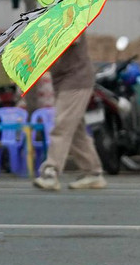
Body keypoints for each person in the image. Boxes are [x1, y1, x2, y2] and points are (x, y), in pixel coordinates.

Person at [32, 34, 106, 191]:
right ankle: (93, 173)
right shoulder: (50, 17)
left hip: (76, 79)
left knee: (62, 124)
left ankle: (51, 172)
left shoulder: (69, 13)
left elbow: (67, 40)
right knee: (75, 129)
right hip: (63, 80)